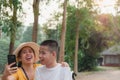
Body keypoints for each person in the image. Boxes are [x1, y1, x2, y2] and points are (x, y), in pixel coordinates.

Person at [2, 42, 69, 80]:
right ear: (19, 58)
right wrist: (5, 75)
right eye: (24, 52)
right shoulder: (17, 71)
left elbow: (52, 66)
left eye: (30, 51)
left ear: (34, 56)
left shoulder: (40, 67)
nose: (28, 54)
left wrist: (62, 65)